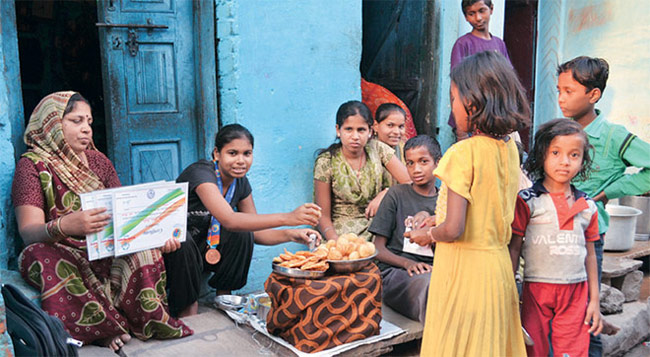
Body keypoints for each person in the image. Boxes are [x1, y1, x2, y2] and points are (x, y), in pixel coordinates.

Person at [11, 92, 192, 352]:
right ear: (51, 124)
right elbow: (28, 232)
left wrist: (154, 236)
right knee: (37, 256)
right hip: (62, 250)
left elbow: (125, 216)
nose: (86, 129)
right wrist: (66, 226)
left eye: (89, 121)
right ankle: (103, 330)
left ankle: (137, 321)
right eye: (76, 121)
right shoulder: (31, 167)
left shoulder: (99, 161)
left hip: (105, 248)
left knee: (145, 250)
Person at [405, 51, 529, 356]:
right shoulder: (510, 149)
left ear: (472, 103)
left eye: (454, 98)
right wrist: (437, 219)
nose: (453, 107)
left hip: (464, 274)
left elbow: (454, 229)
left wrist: (427, 234)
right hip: (497, 270)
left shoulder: (462, 153)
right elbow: (487, 208)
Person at [164, 124, 322, 318]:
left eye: (247, 153)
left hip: (206, 247)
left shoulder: (240, 182)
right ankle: (186, 308)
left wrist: (292, 234)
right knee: (183, 240)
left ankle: (225, 297)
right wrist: (289, 217)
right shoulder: (201, 174)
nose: (240, 161)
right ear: (217, 154)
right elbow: (229, 219)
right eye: (232, 153)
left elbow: (254, 229)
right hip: (174, 251)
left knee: (244, 232)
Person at [557, 56, 649, 355]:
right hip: (551, 235)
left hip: (587, 238)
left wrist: (612, 191)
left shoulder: (613, 135)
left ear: (593, 95)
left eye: (568, 91)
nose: (560, 98)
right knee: (558, 313)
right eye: (558, 90)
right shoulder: (558, 130)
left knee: (586, 311)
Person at [509, 119, 602, 356]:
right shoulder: (527, 200)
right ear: (542, 155)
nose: (564, 162)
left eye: (573, 155)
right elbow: (514, 247)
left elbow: (591, 254)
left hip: (575, 290)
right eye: (556, 153)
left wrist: (594, 300)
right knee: (533, 348)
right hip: (536, 288)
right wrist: (509, 286)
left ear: (582, 161)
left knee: (573, 349)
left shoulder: (587, 206)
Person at [368, 135, 441, 323]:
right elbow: (378, 249)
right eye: (410, 163)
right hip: (396, 271)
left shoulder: (445, 202)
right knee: (430, 286)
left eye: (423, 162)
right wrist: (407, 264)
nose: (416, 169)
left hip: (436, 269)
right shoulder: (396, 195)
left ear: (438, 163)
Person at [314, 100, 410, 242]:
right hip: (339, 233)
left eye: (361, 130)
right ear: (338, 130)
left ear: (370, 131)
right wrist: (336, 243)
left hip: (378, 229)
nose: (355, 136)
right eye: (348, 129)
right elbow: (323, 216)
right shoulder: (326, 162)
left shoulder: (378, 149)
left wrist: (386, 193)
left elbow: (410, 183)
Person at [448, 0, 511, 141]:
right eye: (472, 13)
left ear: (491, 9)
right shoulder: (463, 44)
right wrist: (461, 130)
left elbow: (507, 81)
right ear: (466, 17)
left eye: (482, 11)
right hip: (470, 117)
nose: (478, 18)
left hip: (493, 115)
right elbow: (456, 86)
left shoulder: (499, 44)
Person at [374, 103, 407, 186]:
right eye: (390, 125)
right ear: (376, 126)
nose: (396, 132)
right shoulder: (369, 149)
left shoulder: (405, 149)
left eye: (401, 126)